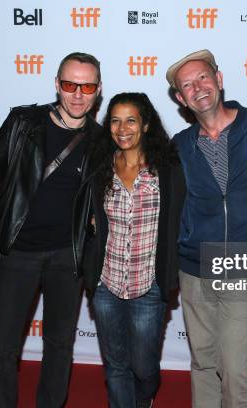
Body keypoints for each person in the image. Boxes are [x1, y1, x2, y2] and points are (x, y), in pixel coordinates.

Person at [0, 52, 102, 408]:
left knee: (59, 345)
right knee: (2, 346)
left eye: (87, 86)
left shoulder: (100, 140)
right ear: (56, 84)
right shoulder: (23, 122)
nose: (78, 94)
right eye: (69, 85)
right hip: (18, 251)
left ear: (98, 90)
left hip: (68, 256)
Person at [166, 50, 247, 407]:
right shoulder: (180, 146)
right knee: (202, 360)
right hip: (195, 267)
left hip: (245, 265)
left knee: (233, 365)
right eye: (187, 85)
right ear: (181, 99)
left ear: (219, 78)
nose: (197, 87)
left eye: (202, 77)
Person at [75, 93, 185, 408]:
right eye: (115, 120)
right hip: (106, 284)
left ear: (146, 125)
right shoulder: (100, 167)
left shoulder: (167, 170)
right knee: (116, 365)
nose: (122, 128)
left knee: (143, 367)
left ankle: (145, 396)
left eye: (131, 120)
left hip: (148, 286)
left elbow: (182, 219)